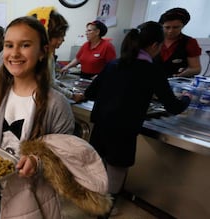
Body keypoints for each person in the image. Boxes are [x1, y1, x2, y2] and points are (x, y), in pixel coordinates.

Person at [0, 16, 111, 219]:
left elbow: (66, 156)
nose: (14, 53)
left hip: (32, 198)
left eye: (25, 45)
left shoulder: (55, 104)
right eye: (9, 45)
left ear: (42, 51)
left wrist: (36, 161)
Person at [82, 21, 191, 218]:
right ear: (155, 46)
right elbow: (173, 107)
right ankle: (104, 212)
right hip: (123, 130)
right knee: (116, 172)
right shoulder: (152, 70)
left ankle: (94, 205)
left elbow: (90, 92)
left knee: (99, 167)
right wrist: (186, 98)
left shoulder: (114, 64)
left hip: (101, 125)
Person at [28, 6, 81, 102]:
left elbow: (50, 80)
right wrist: (72, 96)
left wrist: (60, 84)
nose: (63, 39)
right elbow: (50, 85)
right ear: (48, 35)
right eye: (60, 36)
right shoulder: (43, 57)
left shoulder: (47, 54)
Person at [156, 7, 202, 78]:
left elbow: (196, 68)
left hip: (177, 83)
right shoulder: (154, 40)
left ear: (183, 26)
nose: (170, 31)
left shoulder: (190, 42)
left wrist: (183, 73)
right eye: (167, 27)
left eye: (175, 27)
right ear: (161, 26)